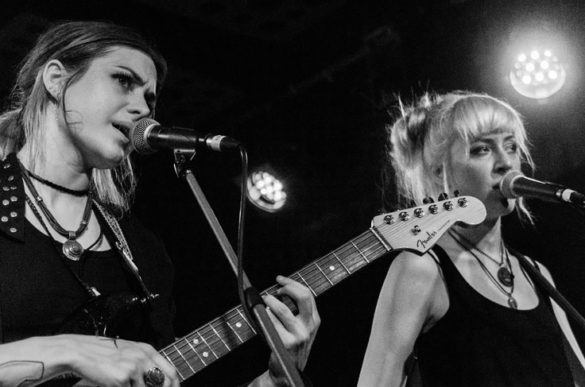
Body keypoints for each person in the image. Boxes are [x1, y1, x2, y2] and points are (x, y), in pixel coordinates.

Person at [0, 21, 320, 386]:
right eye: (123, 80)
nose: (141, 108)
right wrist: (66, 351)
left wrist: (275, 380)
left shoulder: (143, 253)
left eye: (150, 99)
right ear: (56, 79)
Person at [358, 91, 585, 386]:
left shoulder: (535, 272)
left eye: (511, 146)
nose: (506, 163)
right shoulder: (421, 269)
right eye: (482, 149)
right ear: (440, 172)